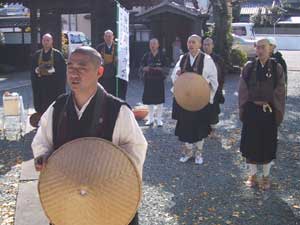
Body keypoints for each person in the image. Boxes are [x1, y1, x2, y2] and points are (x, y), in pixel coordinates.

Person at [31, 46, 147, 225]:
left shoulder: (117, 110)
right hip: (68, 195)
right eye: (70, 67)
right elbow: (42, 141)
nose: (74, 73)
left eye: (82, 67)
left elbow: (136, 148)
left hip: (108, 197)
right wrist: (43, 156)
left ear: (99, 71)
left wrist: (113, 169)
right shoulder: (59, 107)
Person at [239, 38, 285, 190]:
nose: (260, 50)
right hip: (252, 110)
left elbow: (280, 90)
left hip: (269, 111)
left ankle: (265, 177)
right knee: (250, 143)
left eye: (263, 47)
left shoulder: (276, 67)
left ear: (270, 48)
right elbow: (243, 89)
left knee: (267, 144)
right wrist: (244, 107)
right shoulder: (249, 66)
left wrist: (273, 105)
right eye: (257, 47)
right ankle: (252, 175)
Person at [171, 34, 218, 165]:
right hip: (185, 99)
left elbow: (214, 80)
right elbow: (174, 77)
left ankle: (199, 153)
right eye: (189, 42)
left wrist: (204, 85)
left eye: (193, 42)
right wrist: (178, 75)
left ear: (199, 44)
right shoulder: (183, 58)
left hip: (200, 100)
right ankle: (188, 152)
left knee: (200, 127)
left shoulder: (207, 59)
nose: (190, 45)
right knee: (185, 127)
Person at [31, 33, 66, 115]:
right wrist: (36, 70)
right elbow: (32, 69)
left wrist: (52, 70)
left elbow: (62, 71)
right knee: (41, 105)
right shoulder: (36, 55)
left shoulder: (57, 54)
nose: (46, 42)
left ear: (52, 41)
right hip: (41, 85)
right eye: (44, 40)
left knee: (53, 106)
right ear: (41, 41)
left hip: (53, 85)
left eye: (48, 40)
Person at [141, 38, 167, 127]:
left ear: (158, 45)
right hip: (149, 80)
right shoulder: (146, 55)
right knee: (150, 100)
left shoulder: (162, 55)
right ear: (149, 45)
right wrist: (144, 69)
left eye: (154, 44)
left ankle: (159, 119)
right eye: (151, 44)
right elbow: (141, 67)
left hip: (159, 80)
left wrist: (161, 69)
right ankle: (151, 118)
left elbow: (166, 67)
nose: (153, 46)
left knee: (159, 100)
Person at [96, 29, 127, 100]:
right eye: (106, 36)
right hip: (104, 75)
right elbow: (95, 59)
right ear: (104, 37)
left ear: (113, 37)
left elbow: (124, 59)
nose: (108, 38)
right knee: (104, 93)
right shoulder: (99, 47)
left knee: (115, 93)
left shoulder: (118, 47)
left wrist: (118, 60)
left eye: (109, 36)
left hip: (114, 74)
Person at [202, 37, 225, 129]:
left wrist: (219, 87)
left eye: (208, 44)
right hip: (201, 87)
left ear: (212, 46)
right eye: (204, 44)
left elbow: (222, 74)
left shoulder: (218, 59)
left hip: (214, 87)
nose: (206, 47)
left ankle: (213, 126)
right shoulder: (199, 57)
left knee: (213, 107)